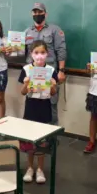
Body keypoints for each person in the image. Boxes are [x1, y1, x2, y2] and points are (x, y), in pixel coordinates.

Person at [18, 40, 58, 184]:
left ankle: (40, 168)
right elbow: (23, 92)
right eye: (36, 53)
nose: (39, 56)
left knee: (42, 140)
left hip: (45, 107)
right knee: (29, 140)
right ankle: (30, 167)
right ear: (31, 54)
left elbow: (53, 93)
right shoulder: (26, 69)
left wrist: (53, 85)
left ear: (47, 54)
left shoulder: (51, 70)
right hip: (31, 108)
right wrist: (26, 84)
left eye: (42, 53)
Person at [25, 3, 66, 124]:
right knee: (33, 103)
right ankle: (33, 138)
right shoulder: (27, 32)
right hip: (32, 73)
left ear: (45, 14)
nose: (37, 14)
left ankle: (51, 139)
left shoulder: (55, 30)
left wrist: (62, 71)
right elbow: (24, 52)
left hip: (50, 72)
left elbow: (61, 50)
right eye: (35, 12)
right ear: (32, 14)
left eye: (40, 12)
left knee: (51, 104)